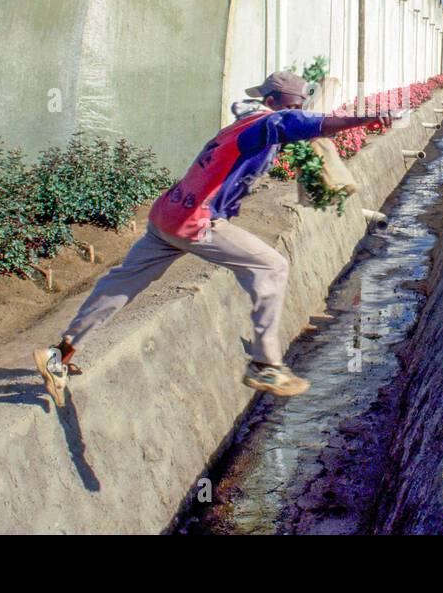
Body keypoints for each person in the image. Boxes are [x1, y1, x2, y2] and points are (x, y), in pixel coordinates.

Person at [34, 70, 391, 405]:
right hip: (195, 221)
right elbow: (293, 124)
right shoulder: (264, 124)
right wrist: (364, 120)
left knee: (121, 284)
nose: (299, 110)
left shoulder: (242, 123)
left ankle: (59, 354)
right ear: (286, 102)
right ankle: (266, 366)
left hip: (167, 214)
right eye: (298, 105)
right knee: (272, 266)